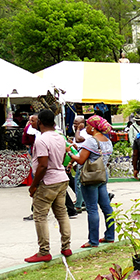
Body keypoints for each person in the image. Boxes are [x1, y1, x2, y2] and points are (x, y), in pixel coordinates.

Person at [23, 110, 72, 262]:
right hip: (61, 178)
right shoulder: (60, 137)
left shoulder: (41, 140)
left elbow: (43, 165)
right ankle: (66, 247)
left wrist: (33, 185)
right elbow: (62, 158)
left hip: (48, 181)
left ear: (40, 122)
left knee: (40, 216)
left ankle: (44, 251)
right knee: (62, 213)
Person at [70, 115, 115, 249]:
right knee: (106, 207)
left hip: (91, 176)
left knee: (92, 208)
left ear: (93, 128)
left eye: (88, 125)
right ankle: (110, 235)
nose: (86, 128)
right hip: (102, 175)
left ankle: (93, 240)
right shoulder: (107, 140)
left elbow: (81, 160)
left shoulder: (91, 141)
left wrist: (70, 153)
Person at [71, 115, 88, 212]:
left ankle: (79, 204)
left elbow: (79, 140)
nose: (74, 125)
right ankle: (81, 201)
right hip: (78, 159)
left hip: (83, 160)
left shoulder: (84, 132)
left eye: (77, 123)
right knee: (78, 182)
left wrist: (77, 130)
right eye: (74, 123)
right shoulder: (78, 132)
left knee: (79, 183)